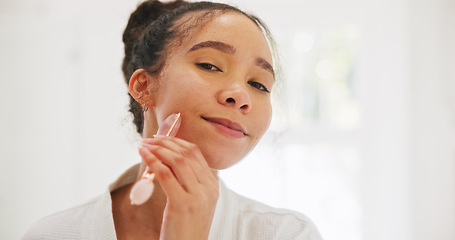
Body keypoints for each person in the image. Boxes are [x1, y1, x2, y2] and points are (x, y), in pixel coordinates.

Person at [22, 1, 323, 239]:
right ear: (144, 86)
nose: (241, 96)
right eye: (209, 65)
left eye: (259, 84)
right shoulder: (52, 235)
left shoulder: (287, 234)